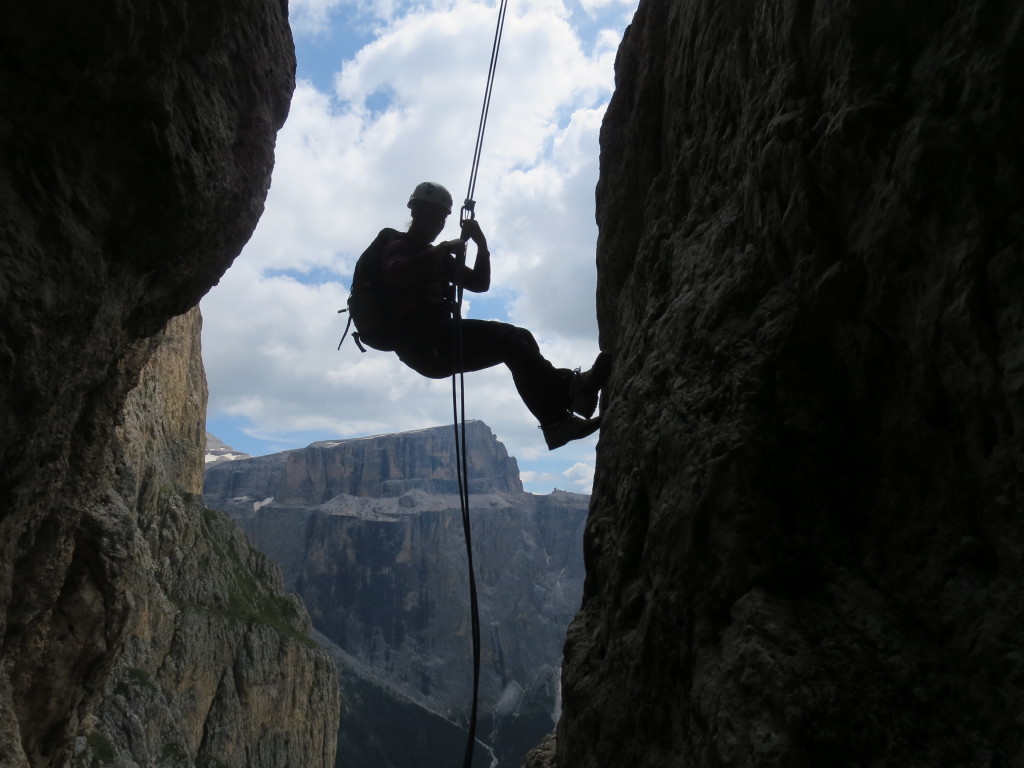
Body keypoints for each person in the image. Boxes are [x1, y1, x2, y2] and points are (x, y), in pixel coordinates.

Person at [381, 181, 611, 450]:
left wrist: (481, 244)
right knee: (509, 340)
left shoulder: (435, 257)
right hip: (424, 343)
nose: (438, 224)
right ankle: (569, 392)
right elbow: (398, 273)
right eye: (433, 216)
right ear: (415, 213)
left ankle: (557, 422)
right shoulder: (398, 244)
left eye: (442, 218)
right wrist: (442, 249)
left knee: (518, 340)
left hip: (435, 342)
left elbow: (479, 283)